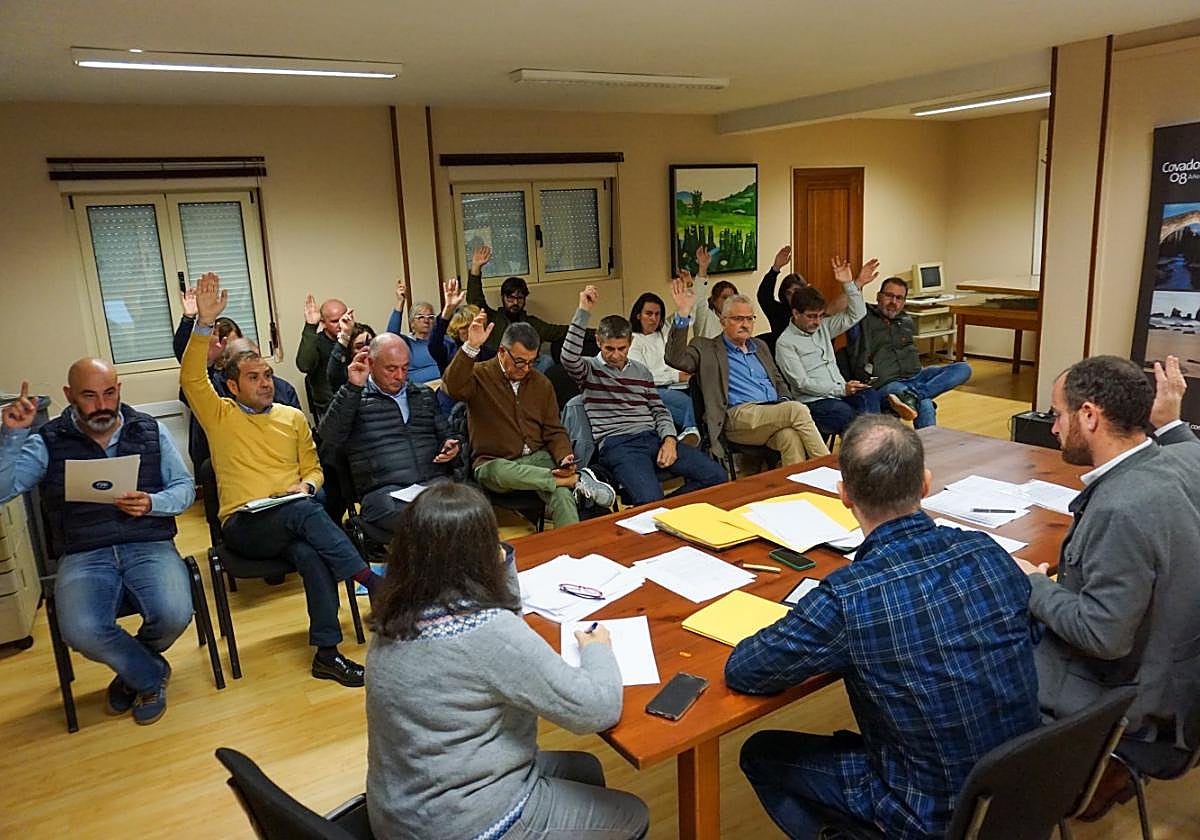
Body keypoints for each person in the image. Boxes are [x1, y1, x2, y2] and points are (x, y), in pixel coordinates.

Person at [726, 415, 1040, 839]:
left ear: (844, 495)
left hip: (931, 814)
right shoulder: (986, 551)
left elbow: (745, 670)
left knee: (762, 752)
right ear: (925, 484)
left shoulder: (848, 596)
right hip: (1024, 786)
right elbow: (1029, 639)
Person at [365, 482, 649, 840]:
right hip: (461, 824)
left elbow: (502, 626)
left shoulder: (397, 613)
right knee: (632, 815)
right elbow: (597, 709)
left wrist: (501, 568)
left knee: (585, 768)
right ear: (482, 550)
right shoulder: (484, 631)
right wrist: (597, 649)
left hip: (402, 808)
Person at [1014, 354, 1200, 819]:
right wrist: (1171, 419)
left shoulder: (1122, 507)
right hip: (1178, 680)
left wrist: (1034, 585)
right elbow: (1188, 449)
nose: (1053, 427)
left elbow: (1104, 637)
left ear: (1089, 415)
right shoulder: (1184, 463)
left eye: (1058, 414)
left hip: (1135, 700)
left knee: (975, 653)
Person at [183, 272, 379, 687]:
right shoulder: (219, 415)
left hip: (292, 514)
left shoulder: (291, 418)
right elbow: (191, 379)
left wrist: (306, 486)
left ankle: (327, 654)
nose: (265, 383)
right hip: (245, 525)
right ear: (232, 385)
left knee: (311, 552)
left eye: (268, 376)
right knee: (306, 514)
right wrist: (203, 324)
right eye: (253, 378)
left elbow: (314, 468)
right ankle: (373, 584)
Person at [0, 369, 195, 725]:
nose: (102, 405)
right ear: (69, 395)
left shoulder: (150, 430)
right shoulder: (49, 440)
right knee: (80, 630)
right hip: (84, 552)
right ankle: (148, 675)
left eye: (109, 393)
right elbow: (3, 491)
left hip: (148, 543)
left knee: (174, 614)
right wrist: (12, 436)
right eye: (89, 396)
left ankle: (131, 673)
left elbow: (184, 488)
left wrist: (153, 503)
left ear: (119, 389)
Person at [442, 313, 615, 528]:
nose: (525, 369)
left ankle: (572, 544)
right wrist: (470, 348)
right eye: (519, 362)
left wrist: (564, 457)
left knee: (562, 495)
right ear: (502, 352)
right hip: (493, 462)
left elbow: (554, 430)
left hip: (537, 459)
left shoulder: (541, 383)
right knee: (499, 471)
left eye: (531, 362)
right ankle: (575, 481)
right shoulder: (479, 375)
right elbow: (452, 387)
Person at [562, 285, 727, 505]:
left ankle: (662, 511)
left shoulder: (641, 371)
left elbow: (660, 410)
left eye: (622, 348)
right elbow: (568, 357)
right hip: (619, 445)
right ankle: (657, 511)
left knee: (717, 477)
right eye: (609, 349)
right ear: (598, 342)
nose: (616, 355)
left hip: (652, 437)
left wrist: (669, 439)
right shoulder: (589, 369)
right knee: (650, 499)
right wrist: (584, 309)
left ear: (630, 343)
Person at [664, 280, 828, 467]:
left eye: (749, 319)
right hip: (737, 417)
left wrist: (782, 401)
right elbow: (674, 358)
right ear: (723, 321)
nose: (745, 324)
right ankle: (832, 469)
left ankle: (793, 484)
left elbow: (778, 381)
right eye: (738, 319)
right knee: (796, 409)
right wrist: (683, 313)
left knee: (789, 437)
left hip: (772, 412)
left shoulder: (760, 346)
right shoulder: (706, 348)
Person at [317, 334, 461, 536]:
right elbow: (329, 437)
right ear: (371, 363)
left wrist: (450, 446)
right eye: (391, 369)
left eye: (405, 368)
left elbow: (447, 435)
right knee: (428, 519)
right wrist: (353, 388)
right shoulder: (354, 398)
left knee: (472, 507)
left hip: (432, 483)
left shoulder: (423, 395)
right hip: (384, 493)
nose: (400, 376)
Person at [775, 257, 917, 438]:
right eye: (811, 316)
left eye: (820, 315)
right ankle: (876, 443)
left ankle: (871, 442)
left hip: (841, 391)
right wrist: (841, 390)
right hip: (814, 401)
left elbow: (857, 314)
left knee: (869, 395)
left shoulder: (823, 327)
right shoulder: (786, 343)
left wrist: (850, 284)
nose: (817, 322)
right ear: (796, 313)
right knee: (853, 417)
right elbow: (802, 384)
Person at [846, 276, 972, 428]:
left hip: (916, 377)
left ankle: (913, 396)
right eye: (889, 296)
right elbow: (849, 302)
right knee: (925, 404)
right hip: (887, 384)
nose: (893, 302)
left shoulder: (905, 320)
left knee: (963, 368)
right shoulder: (863, 317)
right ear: (878, 297)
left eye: (899, 298)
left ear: (904, 302)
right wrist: (856, 282)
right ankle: (920, 410)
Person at [465, 244, 571, 358]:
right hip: (497, 366)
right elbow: (475, 301)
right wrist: (475, 267)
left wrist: (586, 329)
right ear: (503, 297)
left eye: (519, 298)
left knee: (546, 360)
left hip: (526, 366)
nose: (515, 303)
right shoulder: (492, 319)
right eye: (510, 298)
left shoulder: (531, 324)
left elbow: (559, 332)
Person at [627, 289, 700, 444]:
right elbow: (643, 377)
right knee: (690, 404)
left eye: (657, 314)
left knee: (702, 401)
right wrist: (676, 376)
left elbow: (685, 318)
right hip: (652, 391)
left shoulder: (663, 331)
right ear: (638, 315)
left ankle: (691, 435)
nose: (653, 319)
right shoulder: (633, 340)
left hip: (680, 386)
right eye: (649, 314)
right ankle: (690, 429)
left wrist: (690, 289)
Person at [387, 279, 454, 384]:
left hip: (446, 385)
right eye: (421, 317)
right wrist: (400, 301)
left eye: (430, 317)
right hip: (420, 388)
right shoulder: (406, 343)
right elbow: (390, 337)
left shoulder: (445, 340)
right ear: (412, 323)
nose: (426, 320)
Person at [295, 293, 348, 421]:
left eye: (344, 319)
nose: (340, 325)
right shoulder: (316, 342)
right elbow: (304, 366)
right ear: (323, 323)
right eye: (335, 321)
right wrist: (310, 327)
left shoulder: (357, 337)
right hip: (330, 408)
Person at [685, 245, 739, 341]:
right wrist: (703, 268)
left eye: (732, 297)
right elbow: (699, 298)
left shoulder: (738, 321)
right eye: (724, 297)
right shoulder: (705, 316)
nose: (729, 301)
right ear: (714, 300)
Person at [326, 308, 377, 391]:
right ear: (350, 351)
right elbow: (333, 375)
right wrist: (345, 335)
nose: (366, 349)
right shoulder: (346, 375)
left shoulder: (381, 367)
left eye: (370, 343)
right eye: (359, 347)